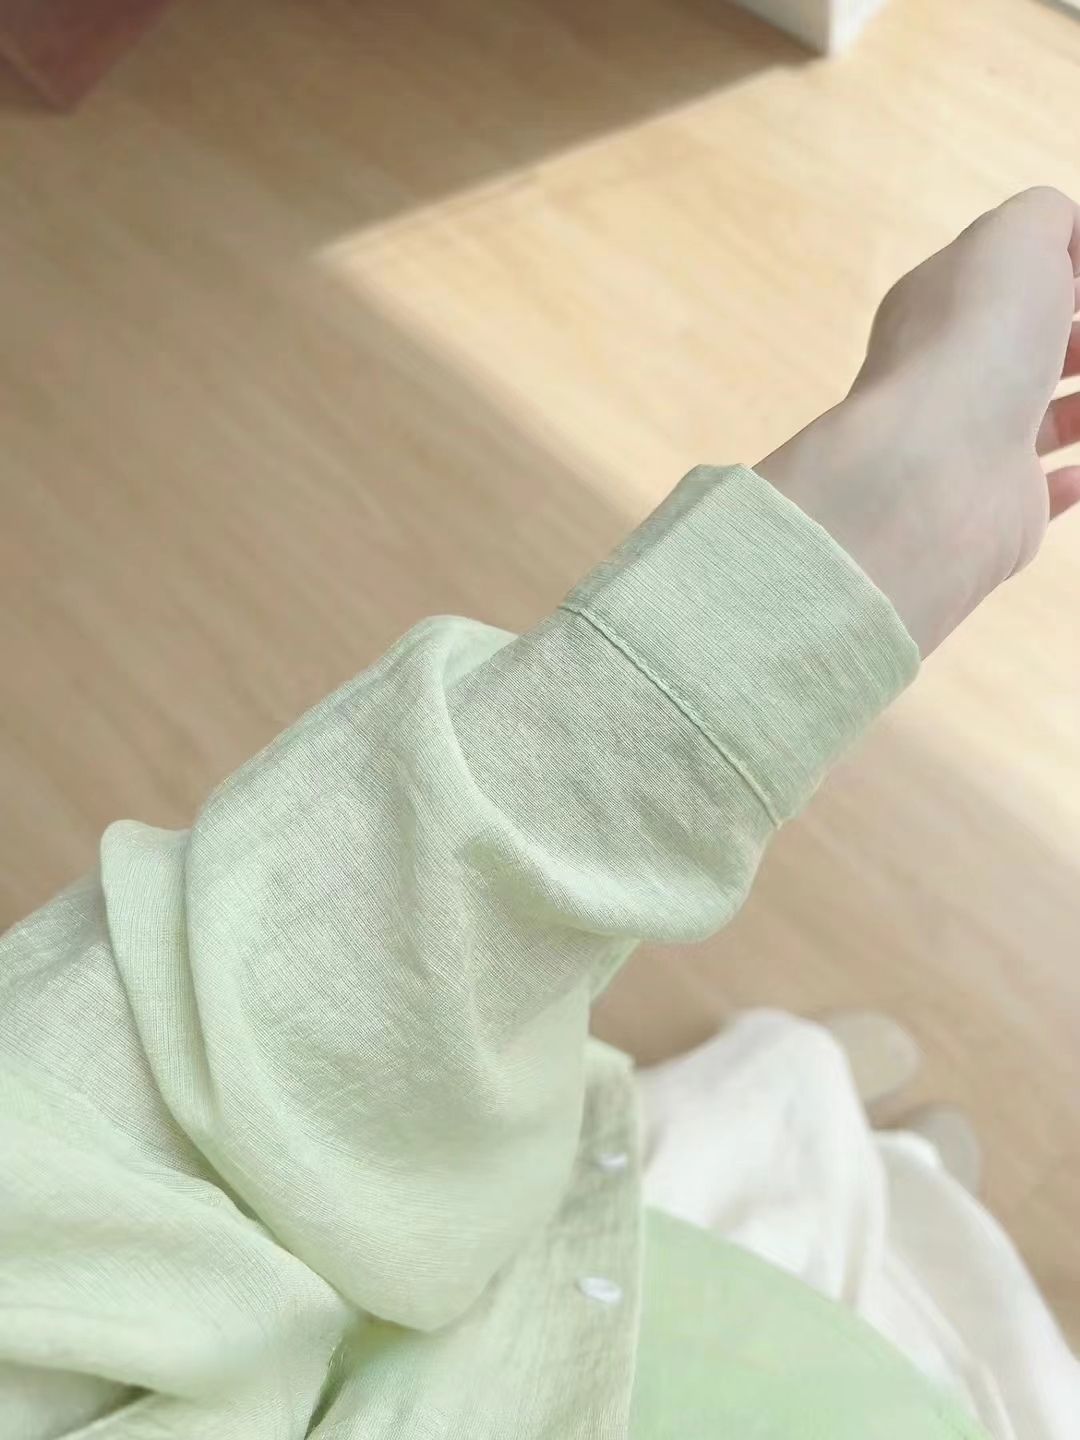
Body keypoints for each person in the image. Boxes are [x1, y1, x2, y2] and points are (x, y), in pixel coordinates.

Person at [3, 187, 1079, 1440]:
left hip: (458, 1294)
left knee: (741, 1171)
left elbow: (68, 1213)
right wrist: (824, 568)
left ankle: (867, 1180)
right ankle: (897, 1203)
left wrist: (844, 555)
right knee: (936, 1305)